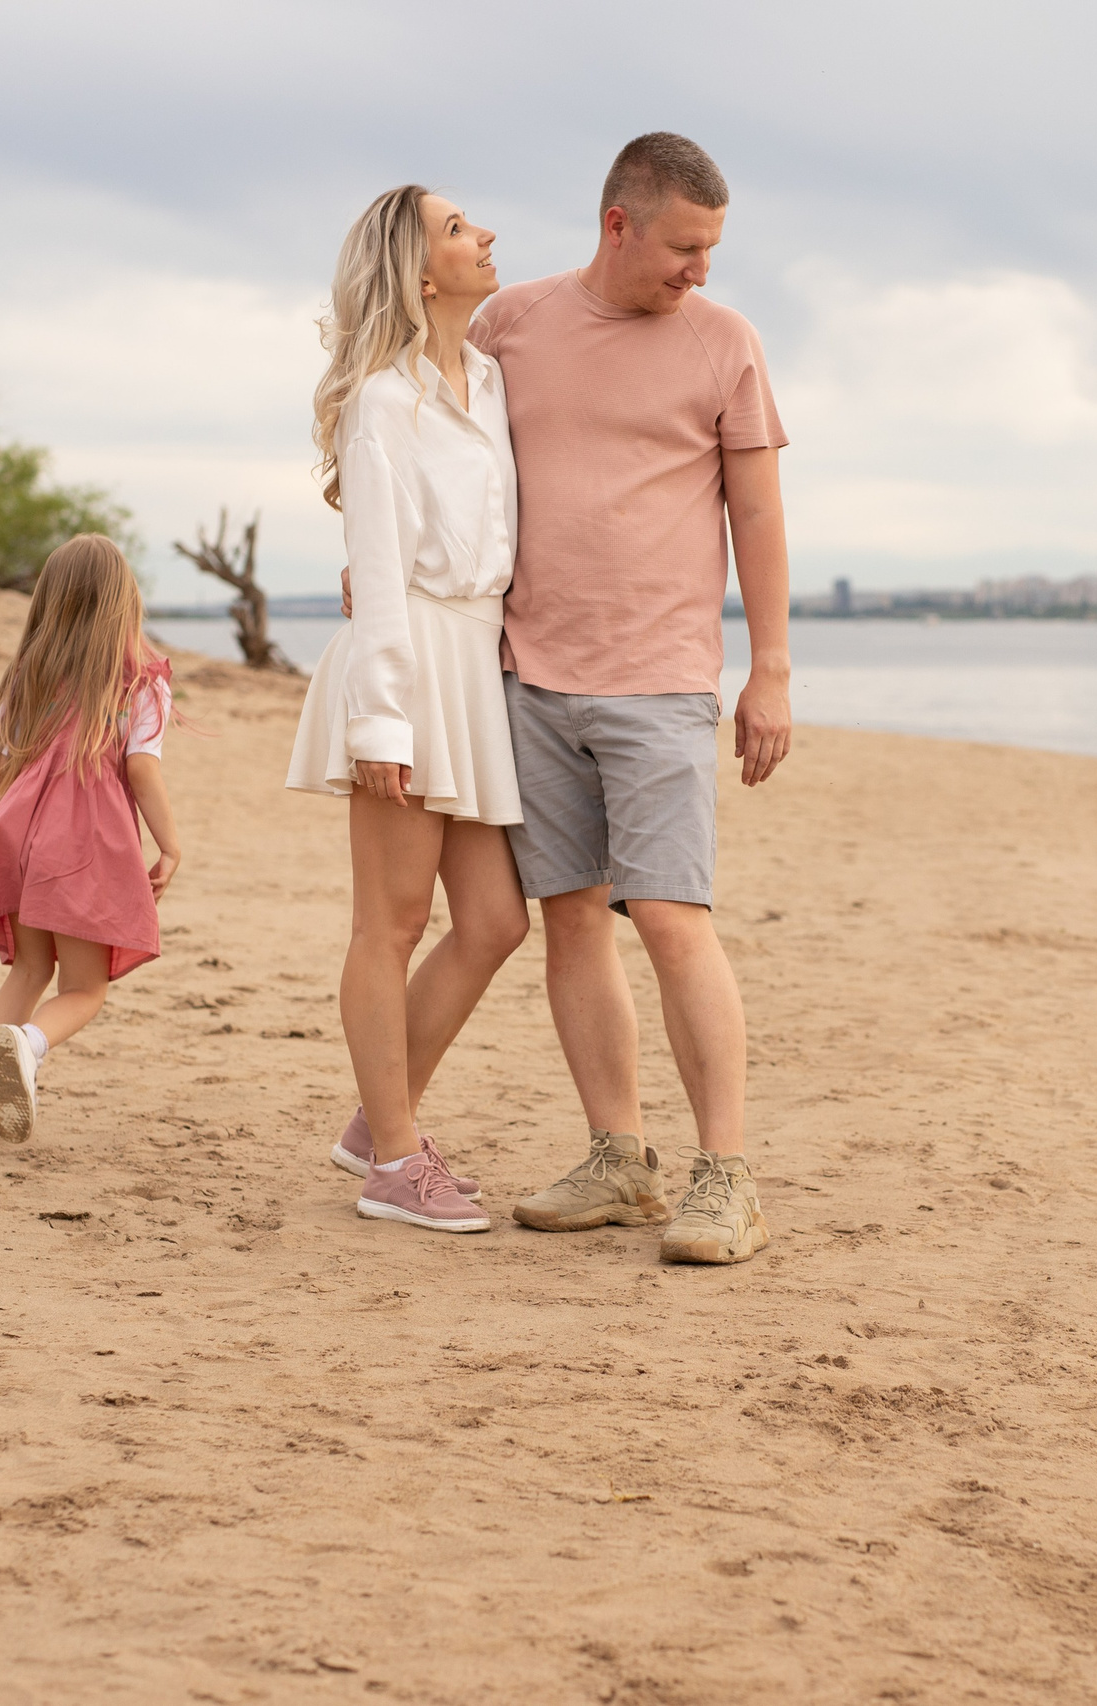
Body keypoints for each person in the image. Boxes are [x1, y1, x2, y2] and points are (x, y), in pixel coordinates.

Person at [480, 132, 792, 1264]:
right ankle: (620, 1160)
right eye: (684, 248)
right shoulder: (509, 324)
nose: (700, 271)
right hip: (527, 674)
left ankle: (727, 1179)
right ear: (619, 223)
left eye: (712, 251)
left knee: (668, 916)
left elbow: (757, 514)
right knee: (570, 919)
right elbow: (435, 451)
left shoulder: (725, 341)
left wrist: (770, 668)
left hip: (660, 679)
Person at [286, 185, 531, 1235]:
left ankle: (375, 1120)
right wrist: (380, 723)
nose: (485, 235)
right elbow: (378, 572)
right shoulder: (381, 401)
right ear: (419, 273)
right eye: (458, 229)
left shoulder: (491, 378)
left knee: (494, 920)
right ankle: (393, 1157)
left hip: (475, 665)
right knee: (388, 924)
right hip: (408, 661)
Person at [0, 534, 183, 1144]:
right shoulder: (141, 682)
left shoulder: (29, 675)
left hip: (17, 836)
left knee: (29, 968)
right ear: (125, 602)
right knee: (84, 988)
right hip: (84, 848)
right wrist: (170, 846)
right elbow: (142, 768)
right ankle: (28, 1045)